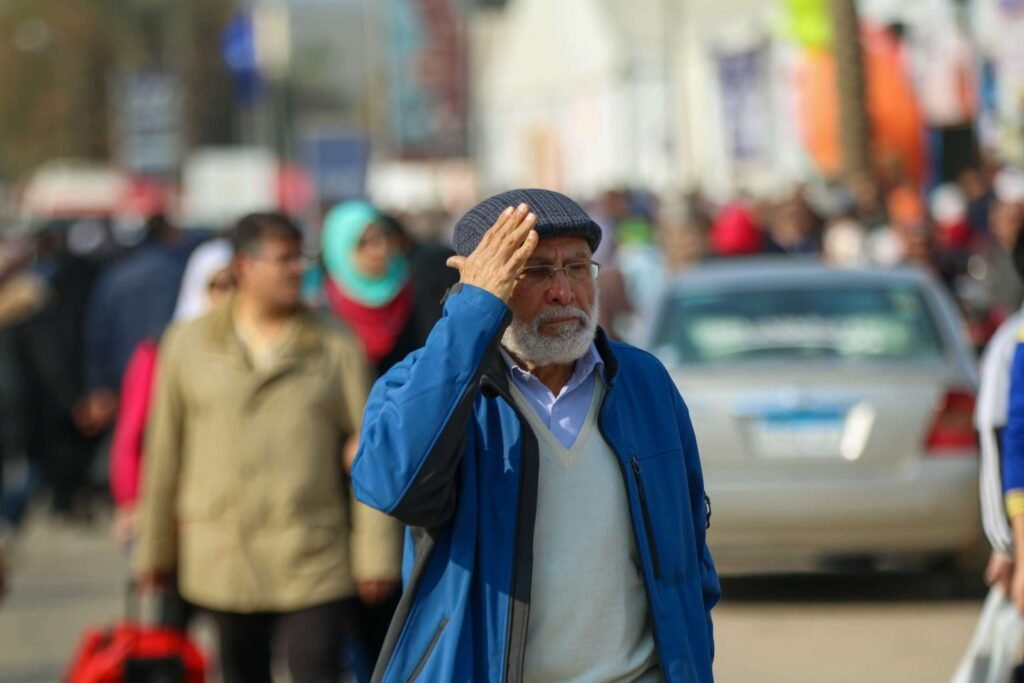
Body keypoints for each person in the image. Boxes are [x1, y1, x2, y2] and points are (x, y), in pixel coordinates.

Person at [352, 190, 719, 682]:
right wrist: (472, 314)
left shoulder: (642, 382)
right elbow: (393, 483)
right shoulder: (424, 385)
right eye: (536, 271)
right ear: (484, 284)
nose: (564, 292)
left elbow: (689, 550)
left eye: (577, 268)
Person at [134, 212, 402, 683]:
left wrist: (376, 555)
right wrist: (154, 553)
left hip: (312, 555)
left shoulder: (334, 343)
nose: (298, 269)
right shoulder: (188, 344)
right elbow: (164, 456)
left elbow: (372, 452)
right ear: (244, 267)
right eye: (284, 260)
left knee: (318, 668)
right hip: (222, 557)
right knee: (241, 672)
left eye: (301, 258)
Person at [109, 238, 235, 550]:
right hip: (179, 513)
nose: (228, 296)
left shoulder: (261, 353)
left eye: (235, 284)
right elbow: (133, 434)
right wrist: (130, 501)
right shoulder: (161, 352)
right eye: (217, 285)